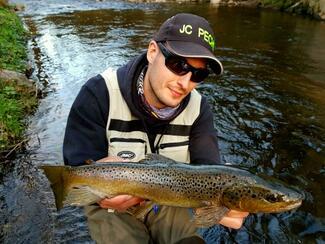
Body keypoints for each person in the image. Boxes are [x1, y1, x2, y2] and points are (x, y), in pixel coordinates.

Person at [63, 13, 249, 244]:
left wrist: (224, 208)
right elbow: (77, 168)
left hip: (171, 199)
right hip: (111, 204)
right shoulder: (99, 93)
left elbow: (208, 171)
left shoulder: (199, 109)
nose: (185, 83)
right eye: (178, 65)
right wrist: (100, 191)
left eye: (198, 74)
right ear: (152, 52)